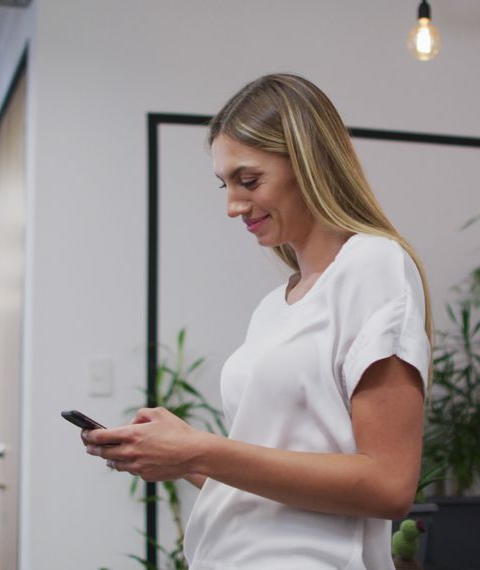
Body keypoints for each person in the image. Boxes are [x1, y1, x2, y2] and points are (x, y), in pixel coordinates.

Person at [82, 73, 435, 569]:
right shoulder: (274, 307)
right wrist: (183, 457)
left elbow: (388, 485)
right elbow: (273, 487)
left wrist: (202, 450)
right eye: (225, 185)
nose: (232, 206)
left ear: (309, 163)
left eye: (249, 181)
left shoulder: (373, 266)